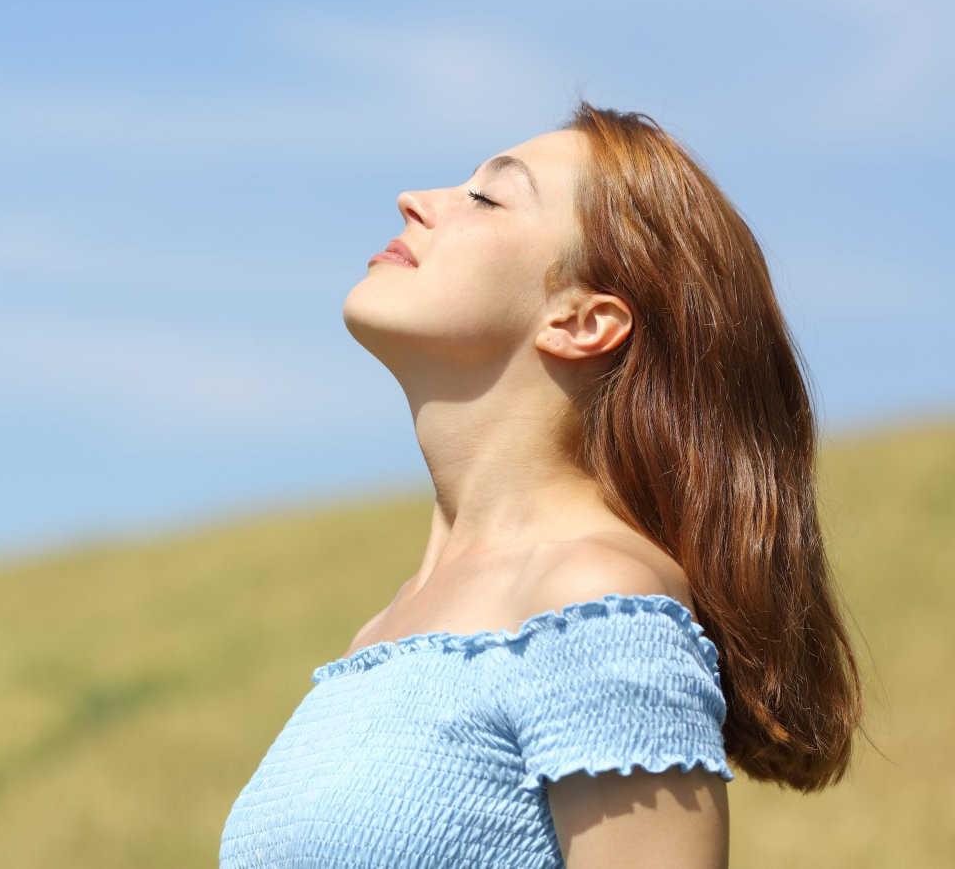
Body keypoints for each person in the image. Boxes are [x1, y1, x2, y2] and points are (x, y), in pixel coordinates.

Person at [218, 101, 865, 869]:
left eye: (488, 197)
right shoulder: (381, 632)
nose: (416, 200)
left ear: (583, 319)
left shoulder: (594, 602)